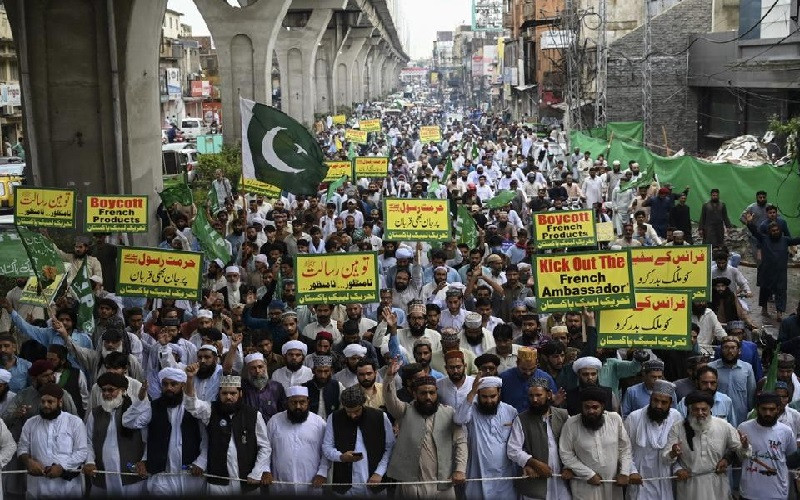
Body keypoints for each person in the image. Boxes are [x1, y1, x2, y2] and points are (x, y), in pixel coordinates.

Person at [383, 359, 467, 499]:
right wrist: (389, 378)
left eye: (431, 393)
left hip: (442, 483)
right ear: (414, 394)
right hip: (411, 484)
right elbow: (389, 399)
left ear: (436, 392)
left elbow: (461, 443)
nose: (428, 397)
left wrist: (460, 470)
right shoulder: (404, 411)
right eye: (423, 393)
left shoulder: (449, 413)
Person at [183, 365, 271, 495]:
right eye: (224, 393)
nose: (229, 397)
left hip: (247, 481)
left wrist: (257, 472)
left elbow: (265, 447)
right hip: (218, 483)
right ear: (219, 394)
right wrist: (190, 379)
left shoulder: (253, 415)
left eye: (233, 393)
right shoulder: (210, 411)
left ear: (240, 393)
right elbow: (192, 405)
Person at [124, 367, 208, 496]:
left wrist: (201, 462)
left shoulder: (194, 408)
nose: (169, 388)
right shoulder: (154, 407)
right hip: (161, 475)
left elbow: (206, 439)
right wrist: (140, 400)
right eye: (165, 384)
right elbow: (128, 422)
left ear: (183, 386)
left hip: (189, 474)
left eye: (173, 384)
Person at [664, 390, 749, 500]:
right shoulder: (678, 428)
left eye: (704, 409)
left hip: (717, 485)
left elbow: (742, 453)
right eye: (695, 409)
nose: (700, 413)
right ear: (689, 410)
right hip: (689, 486)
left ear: (710, 409)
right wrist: (673, 454)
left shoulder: (723, 425)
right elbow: (665, 457)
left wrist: (745, 446)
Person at [558, 385, 633, 500]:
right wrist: (588, 474)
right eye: (586, 407)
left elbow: (625, 448)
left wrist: (624, 472)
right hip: (585, 485)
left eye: (595, 407)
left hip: (612, 483)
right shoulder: (571, 424)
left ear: (602, 406)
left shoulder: (614, 419)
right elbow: (566, 454)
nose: (591, 411)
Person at [321, 385, 395, 496]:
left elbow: (390, 447)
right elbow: (327, 447)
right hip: (345, 487)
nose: (352, 415)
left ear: (363, 404)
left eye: (356, 411)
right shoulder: (334, 418)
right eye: (348, 412)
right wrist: (341, 457)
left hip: (375, 484)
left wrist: (379, 473)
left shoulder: (380, 417)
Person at [17, 383, 88, 498]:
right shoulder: (31, 423)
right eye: (43, 401)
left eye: (50, 402)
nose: (45, 405)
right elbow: (22, 448)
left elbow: (81, 452)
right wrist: (28, 461)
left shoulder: (74, 422)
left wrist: (61, 467)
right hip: (38, 486)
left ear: (60, 402)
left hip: (68, 487)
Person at [453, 375, 518, 500]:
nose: (489, 401)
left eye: (493, 396)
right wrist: (471, 393)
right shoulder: (471, 409)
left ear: (499, 393)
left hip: (505, 476)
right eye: (484, 397)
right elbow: (458, 419)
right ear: (478, 394)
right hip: (478, 472)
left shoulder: (510, 411)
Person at [83, 372, 147, 497]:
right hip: (102, 477)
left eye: (111, 390)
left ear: (122, 390)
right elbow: (88, 441)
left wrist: (144, 461)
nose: (106, 394)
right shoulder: (95, 413)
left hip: (130, 478)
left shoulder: (135, 411)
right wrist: (89, 461)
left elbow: (147, 440)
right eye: (104, 390)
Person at [506, 378, 571, 500]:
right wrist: (533, 463)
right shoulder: (522, 419)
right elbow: (513, 450)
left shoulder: (563, 415)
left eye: (538, 395)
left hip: (562, 479)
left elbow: (574, 444)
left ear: (549, 395)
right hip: (535, 482)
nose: (534, 399)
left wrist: (570, 468)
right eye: (531, 396)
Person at [263, 386, 328, 496]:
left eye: (302, 402)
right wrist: (265, 470)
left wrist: (322, 473)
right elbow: (265, 448)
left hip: (311, 483)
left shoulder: (319, 423)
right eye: (294, 402)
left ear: (308, 402)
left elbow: (326, 451)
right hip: (280, 483)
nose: (298, 406)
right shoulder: (274, 421)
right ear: (287, 403)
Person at [623, 380, 682, 500]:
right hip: (640, 476)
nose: (659, 406)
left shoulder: (676, 417)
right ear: (650, 398)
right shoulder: (634, 418)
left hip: (665, 477)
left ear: (670, 403)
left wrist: (678, 468)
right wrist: (632, 471)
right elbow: (624, 450)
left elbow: (678, 450)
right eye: (655, 400)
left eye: (664, 402)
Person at [737, 391, 797, 500]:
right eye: (764, 409)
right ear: (757, 408)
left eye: (772, 409)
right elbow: (738, 456)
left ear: (778, 409)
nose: (768, 413)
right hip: (749, 493)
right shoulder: (743, 429)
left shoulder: (786, 431)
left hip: (777, 493)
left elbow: (790, 456)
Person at [745, 211, 800, 322]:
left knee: (781, 291)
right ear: (769, 231)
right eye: (773, 231)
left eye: (777, 230)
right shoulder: (764, 239)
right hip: (767, 271)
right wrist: (750, 222)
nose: (775, 232)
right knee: (765, 290)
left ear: (780, 231)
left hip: (780, 272)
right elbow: (755, 231)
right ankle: (764, 309)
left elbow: (797, 240)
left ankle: (779, 312)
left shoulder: (785, 240)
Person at [708, 336, 755, 425]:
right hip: (718, 415)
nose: (730, 351)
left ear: (739, 351)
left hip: (740, 417)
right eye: (726, 348)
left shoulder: (747, 368)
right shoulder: (711, 367)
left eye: (733, 348)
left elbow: (751, 393)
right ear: (721, 350)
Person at [500, 347, 557, 413]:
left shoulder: (545, 378)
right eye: (524, 369)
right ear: (517, 363)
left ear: (537, 363)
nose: (528, 373)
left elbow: (552, 402)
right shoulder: (504, 378)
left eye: (532, 369)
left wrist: (554, 401)